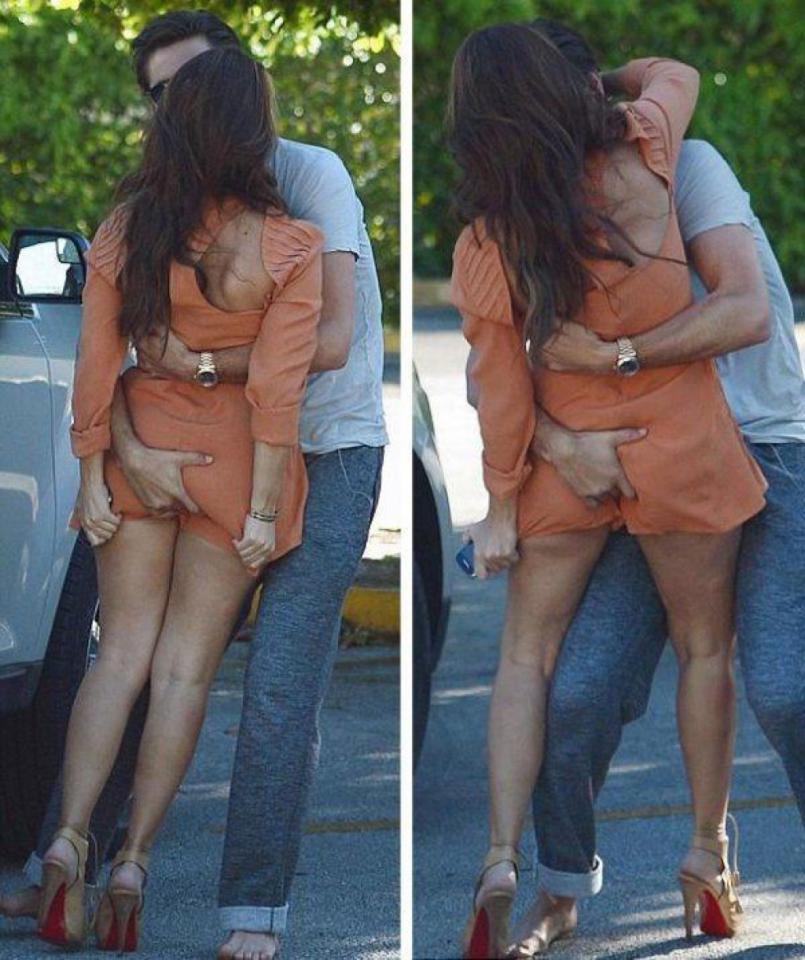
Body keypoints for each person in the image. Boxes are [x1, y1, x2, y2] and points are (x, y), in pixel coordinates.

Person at [0, 12, 386, 960]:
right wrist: (259, 508)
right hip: (236, 462)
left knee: (120, 659)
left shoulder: (136, 221)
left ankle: (71, 846)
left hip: (221, 446)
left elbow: (100, 360)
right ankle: (129, 863)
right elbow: (277, 391)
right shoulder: (284, 242)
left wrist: (98, 463)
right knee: (182, 672)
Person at [449, 22, 767, 958]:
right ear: (573, 89)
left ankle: (501, 859)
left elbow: (498, 385)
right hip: (681, 446)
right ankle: (703, 853)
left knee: (524, 658)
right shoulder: (648, 147)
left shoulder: (491, 236)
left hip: (566, 457)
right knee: (703, 653)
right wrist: (604, 82)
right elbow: (678, 68)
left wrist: (501, 503)